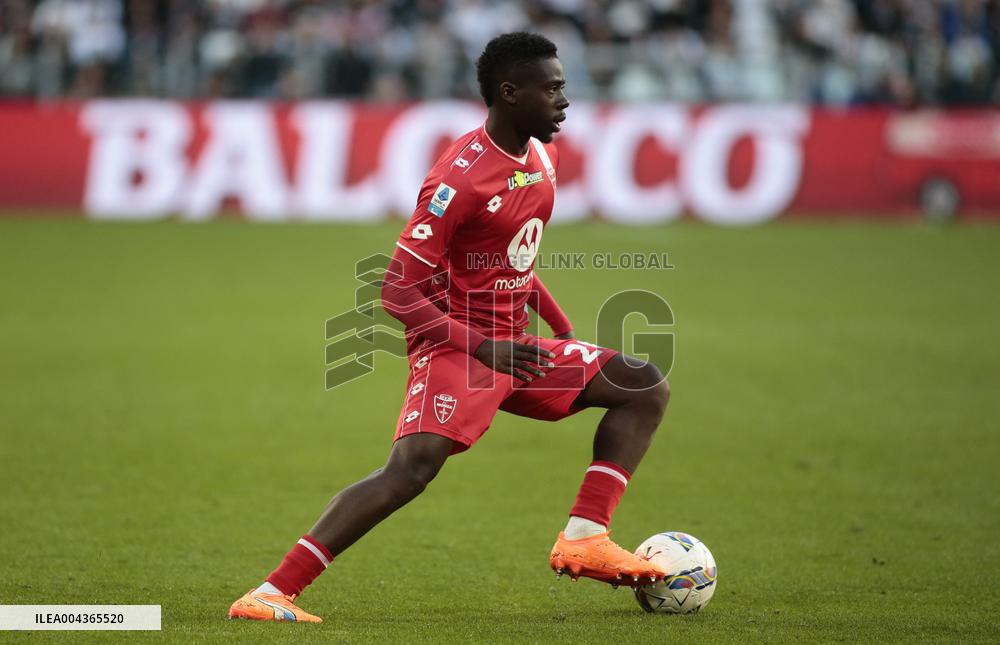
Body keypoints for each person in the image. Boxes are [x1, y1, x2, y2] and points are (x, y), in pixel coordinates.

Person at [229, 32, 670, 623]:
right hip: (457, 344)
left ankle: (586, 536)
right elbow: (395, 291)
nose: (566, 99)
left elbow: (515, 261)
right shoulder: (456, 182)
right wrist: (485, 346)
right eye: (554, 88)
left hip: (514, 343)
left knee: (642, 384)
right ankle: (270, 594)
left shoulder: (542, 154)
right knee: (410, 470)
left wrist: (562, 332)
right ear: (510, 93)